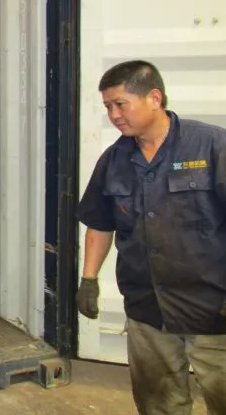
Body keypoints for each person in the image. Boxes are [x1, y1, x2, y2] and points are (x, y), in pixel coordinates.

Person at [75, 60, 226, 415]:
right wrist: (89, 280)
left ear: (153, 98)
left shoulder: (210, 146)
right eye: (107, 107)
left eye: (120, 104)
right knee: (157, 403)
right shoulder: (114, 160)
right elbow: (100, 222)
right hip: (147, 309)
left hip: (212, 308)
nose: (113, 115)